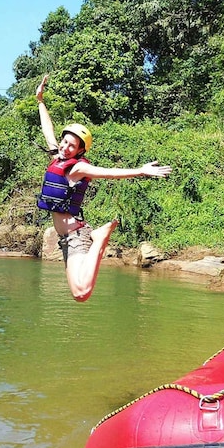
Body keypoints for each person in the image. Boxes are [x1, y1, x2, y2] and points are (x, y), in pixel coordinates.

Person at [35, 74, 172, 302]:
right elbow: (47, 130)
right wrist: (40, 101)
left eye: (72, 145)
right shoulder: (58, 157)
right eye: (65, 142)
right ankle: (98, 237)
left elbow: (108, 172)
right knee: (79, 294)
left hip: (76, 235)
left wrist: (140, 170)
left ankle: (99, 238)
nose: (65, 147)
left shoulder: (77, 168)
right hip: (66, 238)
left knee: (81, 293)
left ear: (79, 151)